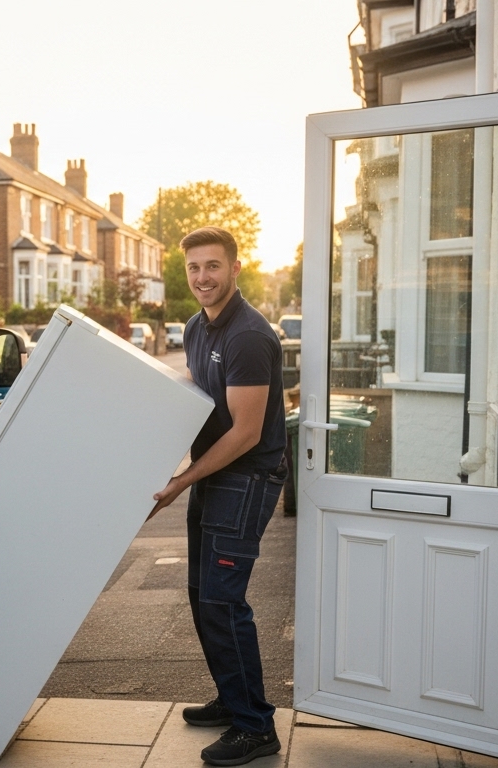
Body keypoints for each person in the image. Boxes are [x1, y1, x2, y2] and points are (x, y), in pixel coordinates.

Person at [151, 226, 289, 766]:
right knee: (201, 594)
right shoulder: (195, 326)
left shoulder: (249, 336)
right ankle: (236, 702)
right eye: (194, 268)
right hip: (215, 474)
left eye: (212, 266)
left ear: (235, 268)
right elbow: (194, 400)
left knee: (222, 601)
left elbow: (246, 433)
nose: (202, 277)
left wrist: (181, 480)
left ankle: (255, 727)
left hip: (247, 476)